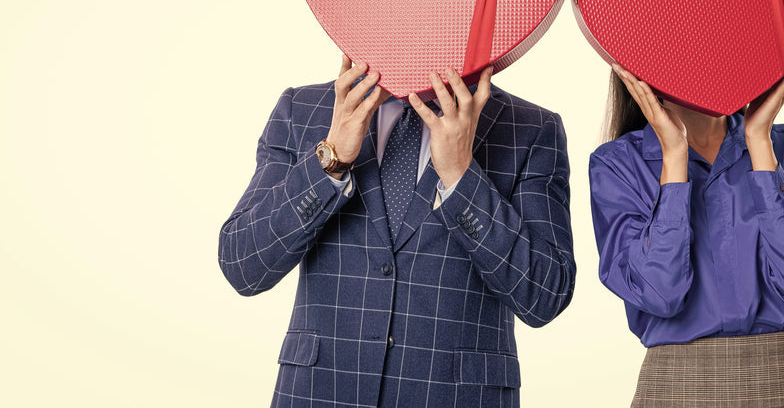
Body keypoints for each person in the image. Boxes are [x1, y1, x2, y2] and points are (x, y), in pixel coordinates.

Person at [219, 55, 575, 407]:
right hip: (318, 393)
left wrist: (461, 178)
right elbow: (243, 265)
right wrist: (330, 162)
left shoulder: (530, 127)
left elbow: (545, 296)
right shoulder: (302, 109)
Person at [589, 48, 784, 407]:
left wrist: (759, 141)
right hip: (675, 386)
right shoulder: (617, 164)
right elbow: (661, 294)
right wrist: (674, 157)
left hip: (783, 380)